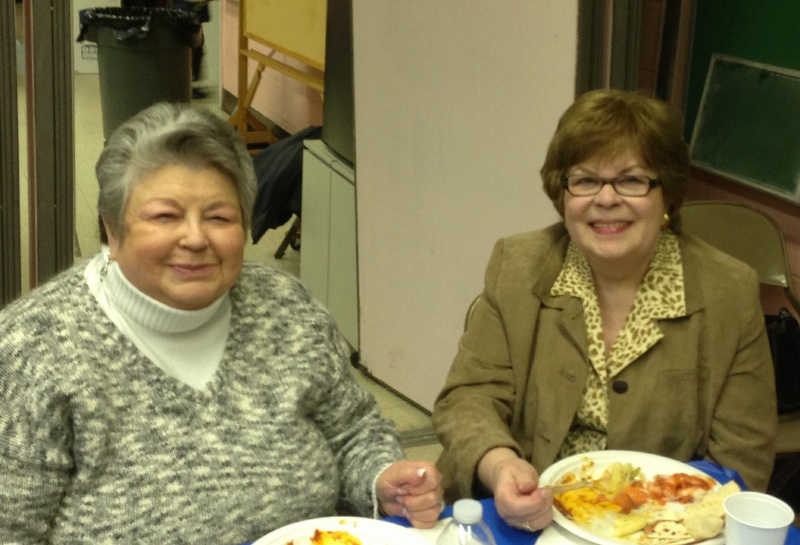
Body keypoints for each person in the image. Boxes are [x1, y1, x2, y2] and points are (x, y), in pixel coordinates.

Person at [0, 102, 442, 544]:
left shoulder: (287, 307)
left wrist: (382, 477)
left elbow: (352, 432)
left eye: (218, 217)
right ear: (112, 232)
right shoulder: (33, 347)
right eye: (166, 216)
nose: (195, 238)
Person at [431, 89, 777, 533]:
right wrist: (500, 466)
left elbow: (743, 456)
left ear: (667, 195)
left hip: (661, 527)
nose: (606, 199)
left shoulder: (727, 291)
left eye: (631, 180)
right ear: (562, 193)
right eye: (585, 180)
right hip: (523, 516)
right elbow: (468, 397)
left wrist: (665, 523)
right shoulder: (517, 265)